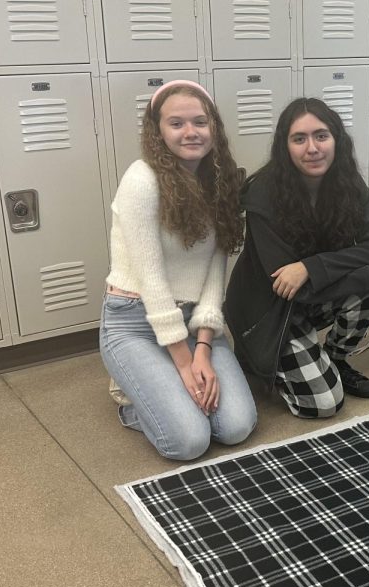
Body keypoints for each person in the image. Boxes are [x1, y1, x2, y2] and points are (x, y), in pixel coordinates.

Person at [99, 80, 257, 460]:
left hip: (194, 323)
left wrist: (203, 348)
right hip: (135, 322)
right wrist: (184, 365)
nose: (191, 132)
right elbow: (151, 281)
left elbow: (214, 273)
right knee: (188, 442)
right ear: (158, 131)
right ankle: (130, 397)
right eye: (176, 123)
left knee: (235, 428)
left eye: (200, 122)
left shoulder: (220, 182)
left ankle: (163, 388)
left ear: (213, 127)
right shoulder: (142, 180)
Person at [224, 98, 369, 419]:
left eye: (321, 135)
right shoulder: (264, 194)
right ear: (285, 146)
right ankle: (256, 358)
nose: (312, 148)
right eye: (299, 139)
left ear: (336, 139)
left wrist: (310, 266)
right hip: (269, 310)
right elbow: (294, 290)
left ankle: (333, 358)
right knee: (324, 404)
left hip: (311, 290)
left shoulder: (345, 182)